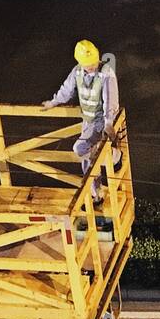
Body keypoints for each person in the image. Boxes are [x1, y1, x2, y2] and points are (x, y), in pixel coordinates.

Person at [42, 39, 121, 203]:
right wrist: (53, 102)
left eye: (93, 63)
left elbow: (110, 100)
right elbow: (67, 89)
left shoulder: (106, 73)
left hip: (100, 120)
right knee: (87, 161)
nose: (91, 67)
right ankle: (96, 194)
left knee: (80, 149)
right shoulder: (77, 71)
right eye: (87, 64)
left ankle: (114, 156)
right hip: (87, 119)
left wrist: (108, 124)